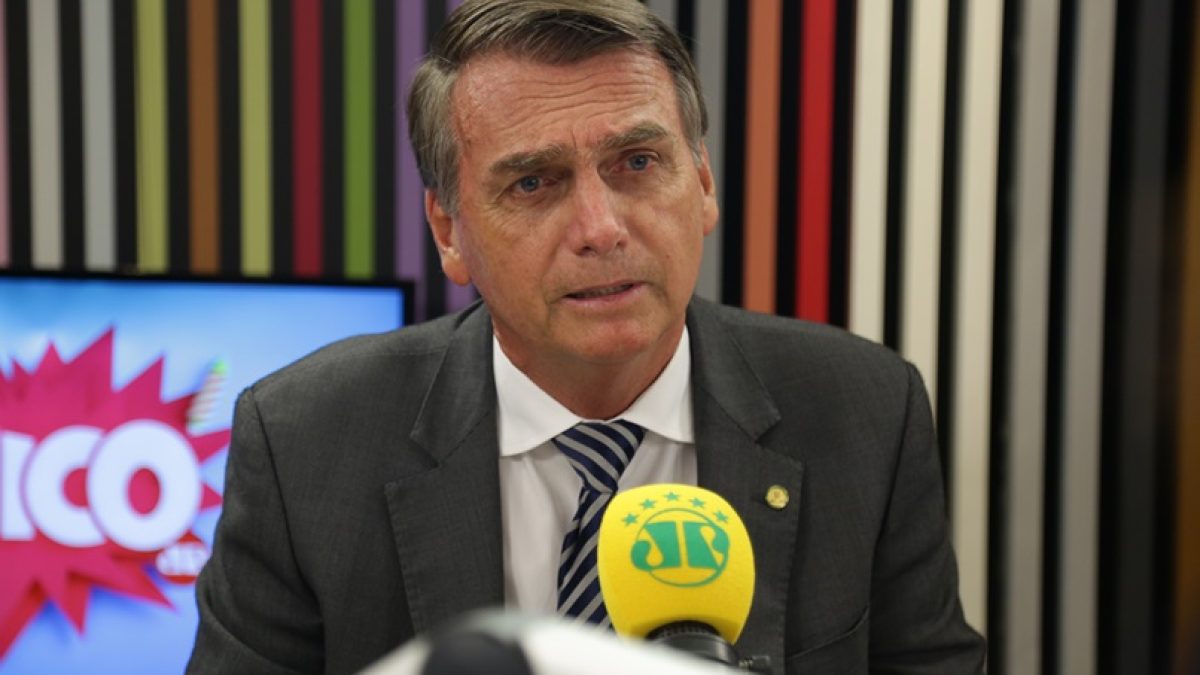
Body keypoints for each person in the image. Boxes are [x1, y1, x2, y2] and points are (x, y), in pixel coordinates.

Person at [187, 1, 985, 673]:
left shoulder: (864, 410)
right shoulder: (303, 442)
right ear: (449, 231)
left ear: (703, 182)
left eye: (637, 162)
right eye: (534, 182)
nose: (601, 228)